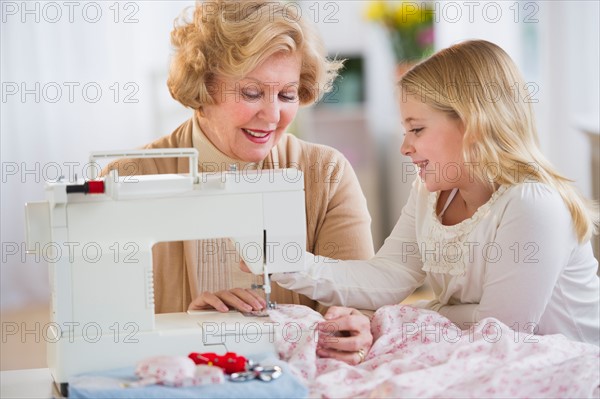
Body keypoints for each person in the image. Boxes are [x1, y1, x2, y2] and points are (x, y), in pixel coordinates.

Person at [196, 39, 600, 364]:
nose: (405, 147)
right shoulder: (431, 194)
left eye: (417, 129)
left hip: (565, 367)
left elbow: (498, 330)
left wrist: (393, 322)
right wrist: (284, 261)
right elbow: (387, 277)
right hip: (490, 361)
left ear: (475, 123)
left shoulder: (532, 204)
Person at [104, 0, 374, 314]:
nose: (273, 116)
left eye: (287, 95)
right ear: (204, 86)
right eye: (251, 93)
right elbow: (105, 324)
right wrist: (188, 328)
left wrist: (353, 323)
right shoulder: (126, 179)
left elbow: (359, 301)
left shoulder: (327, 173)